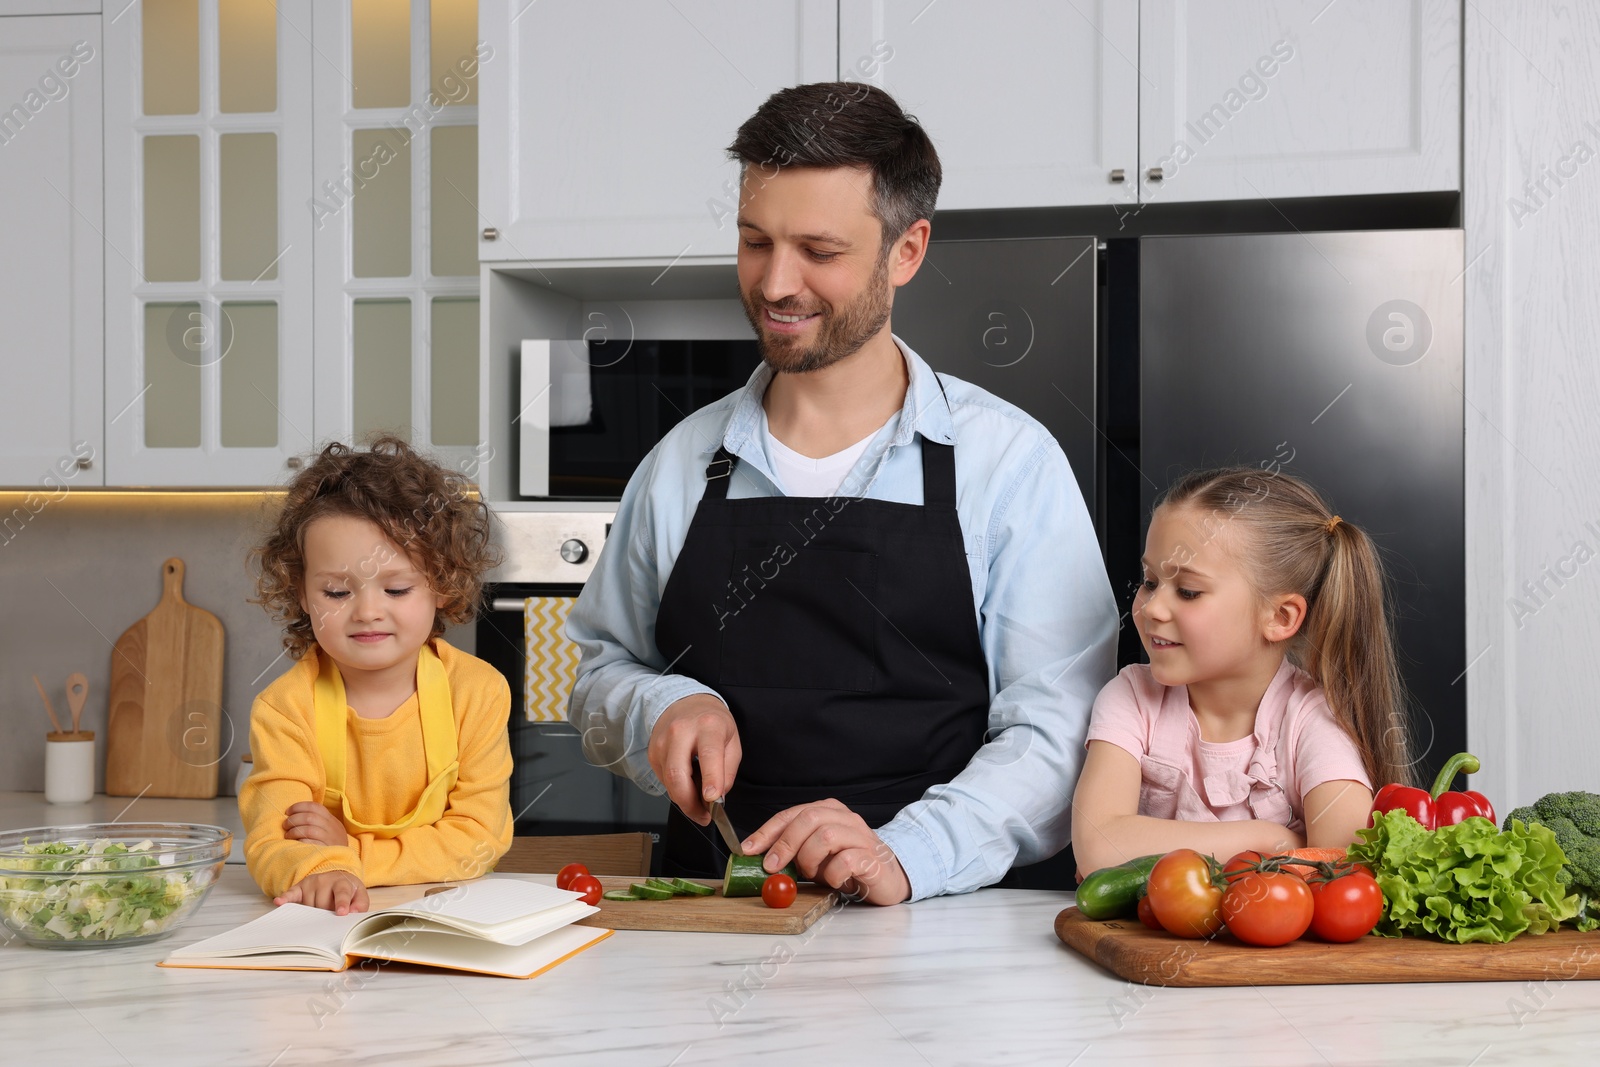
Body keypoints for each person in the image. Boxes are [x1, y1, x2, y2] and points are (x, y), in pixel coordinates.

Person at [567, 82, 1119, 904]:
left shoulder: (1008, 463)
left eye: (818, 252)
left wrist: (909, 852)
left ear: (907, 250)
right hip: (713, 921)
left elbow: (1059, 731)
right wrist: (661, 703)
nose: (776, 284)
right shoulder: (681, 463)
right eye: (756, 242)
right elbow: (599, 673)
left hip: (943, 929)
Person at [1070, 467, 1413, 876]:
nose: (1151, 608)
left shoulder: (1312, 720)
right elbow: (1096, 846)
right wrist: (1273, 841)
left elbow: (1343, 861)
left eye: (1188, 591)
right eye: (1150, 581)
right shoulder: (1131, 697)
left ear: (1280, 617)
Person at [239, 436, 513, 914]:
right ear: (302, 594)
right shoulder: (284, 709)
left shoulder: (477, 692)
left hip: (451, 914)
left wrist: (348, 855)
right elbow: (272, 842)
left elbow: (479, 840)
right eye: (337, 593)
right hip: (333, 919)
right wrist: (318, 873)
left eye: (397, 588)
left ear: (442, 586)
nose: (367, 611)